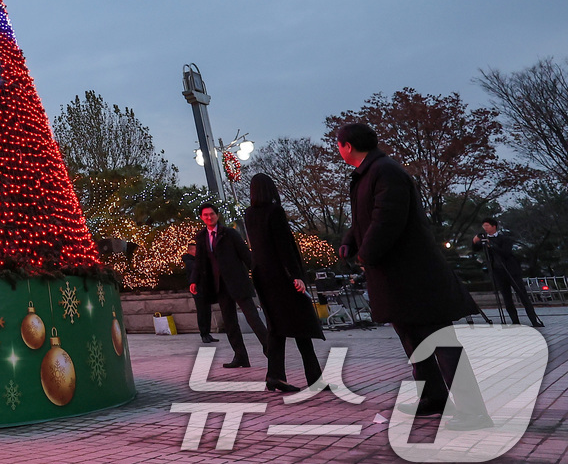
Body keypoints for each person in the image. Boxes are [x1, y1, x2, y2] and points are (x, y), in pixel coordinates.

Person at [337, 121, 490, 426]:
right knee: (412, 339)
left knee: (442, 342)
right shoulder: (365, 176)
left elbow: (387, 219)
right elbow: (364, 219)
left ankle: (473, 411)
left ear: (348, 146)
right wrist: (349, 241)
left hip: (415, 276)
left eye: (337, 145)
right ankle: (433, 396)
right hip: (394, 278)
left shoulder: (385, 171)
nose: (337, 150)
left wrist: (366, 253)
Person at [244, 173, 324, 392]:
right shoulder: (275, 212)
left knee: (276, 327)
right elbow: (284, 247)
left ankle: (275, 375)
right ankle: (314, 378)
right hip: (282, 276)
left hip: (262, 276)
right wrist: (296, 275)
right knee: (301, 325)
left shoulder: (249, 214)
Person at [191, 203, 268, 368]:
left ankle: (271, 351)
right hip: (219, 286)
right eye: (205, 215)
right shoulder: (201, 237)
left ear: (217, 215)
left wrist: (259, 275)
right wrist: (194, 281)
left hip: (237, 282)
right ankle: (240, 356)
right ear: (201, 217)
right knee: (230, 323)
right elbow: (199, 262)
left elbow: (246, 255)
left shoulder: (229, 233)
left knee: (253, 318)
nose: (209, 217)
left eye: (211, 214)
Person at [472, 217, 545, 327]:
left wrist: (491, 245)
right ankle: (515, 321)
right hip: (498, 272)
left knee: (523, 296)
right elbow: (475, 248)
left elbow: (506, 253)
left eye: (487, 225)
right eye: (484, 226)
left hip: (511, 271)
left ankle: (534, 321)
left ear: (494, 226)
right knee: (507, 298)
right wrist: (475, 241)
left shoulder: (504, 238)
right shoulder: (485, 240)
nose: (485, 228)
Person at [182, 242, 218, 343]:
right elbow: (197, 272)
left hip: (205, 289)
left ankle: (208, 333)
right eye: (195, 250)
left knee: (207, 311)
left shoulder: (198, 261)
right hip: (198, 290)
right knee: (202, 311)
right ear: (190, 251)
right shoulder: (190, 262)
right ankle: (204, 334)